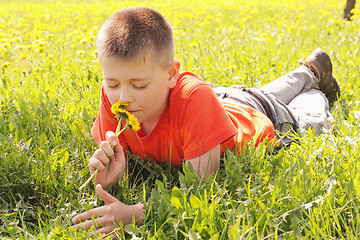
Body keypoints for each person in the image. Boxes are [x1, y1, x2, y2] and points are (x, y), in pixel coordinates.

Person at [71, 7, 340, 236]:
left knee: (309, 122)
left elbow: (198, 189)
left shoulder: (194, 98)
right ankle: (307, 70)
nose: (123, 98)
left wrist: (135, 213)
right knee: (258, 94)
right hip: (224, 99)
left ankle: (314, 86)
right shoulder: (114, 99)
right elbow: (118, 161)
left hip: (264, 118)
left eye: (139, 85)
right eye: (113, 83)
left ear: (172, 74)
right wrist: (117, 177)